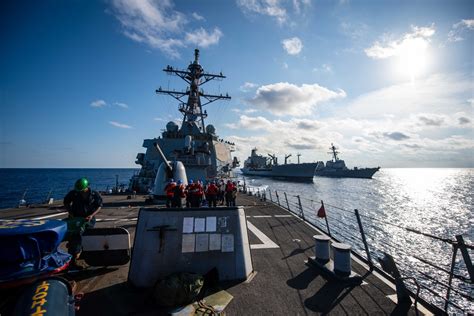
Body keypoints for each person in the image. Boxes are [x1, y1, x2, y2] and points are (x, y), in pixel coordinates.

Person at [63, 177, 102, 268]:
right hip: (75, 219)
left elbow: (99, 206)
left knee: (86, 236)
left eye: (82, 190)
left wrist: (92, 215)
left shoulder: (94, 195)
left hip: (89, 220)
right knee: (76, 236)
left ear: (87, 187)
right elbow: (66, 202)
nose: (80, 192)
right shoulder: (74, 193)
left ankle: (80, 253)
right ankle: (73, 260)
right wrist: (71, 213)